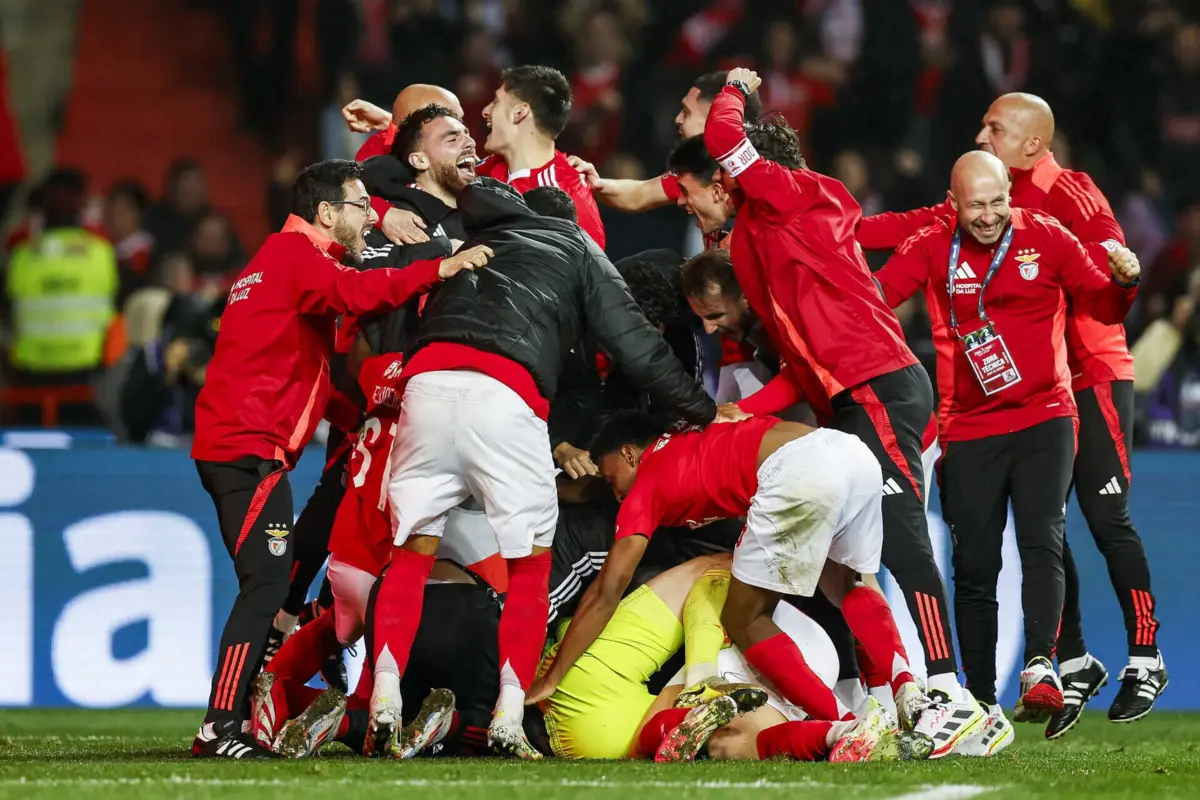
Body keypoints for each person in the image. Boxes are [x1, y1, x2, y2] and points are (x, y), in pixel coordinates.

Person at [367, 177, 716, 759]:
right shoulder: (579, 247)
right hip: (505, 389)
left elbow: (464, 187)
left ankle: (384, 697)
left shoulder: (483, 231)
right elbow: (639, 348)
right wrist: (703, 412)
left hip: (426, 382)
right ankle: (508, 713)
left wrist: (390, 183)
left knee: (411, 555)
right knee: (529, 566)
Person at [858, 92, 1166, 737]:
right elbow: (893, 247)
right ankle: (1057, 662)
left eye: (993, 127)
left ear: (1028, 145)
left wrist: (1127, 277)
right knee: (1004, 550)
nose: (980, 131)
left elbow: (1107, 277)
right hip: (982, 408)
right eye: (978, 204)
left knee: (1090, 522)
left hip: (1081, 379)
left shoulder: (1067, 203)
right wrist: (823, 228)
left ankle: (1131, 655)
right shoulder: (959, 214)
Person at [700, 68, 976, 748]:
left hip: (879, 384)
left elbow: (720, 132)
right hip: (852, 394)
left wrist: (735, 84)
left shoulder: (790, 193)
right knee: (852, 562)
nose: (705, 192)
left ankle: (947, 689)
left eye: (706, 183)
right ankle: (889, 696)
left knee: (904, 535)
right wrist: (745, 414)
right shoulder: (763, 240)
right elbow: (801, 369)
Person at [188, 158, 492, 759]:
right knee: (267, 584)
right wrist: (441, 267)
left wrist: (356, 420)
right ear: (327, 213)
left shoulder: (273, 264)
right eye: (360, 206)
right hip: (248, 449)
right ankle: (219, 727)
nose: (368, 217)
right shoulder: (300, 258)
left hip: (242, 442)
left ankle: (240, 717)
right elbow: (360, 292)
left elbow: (298, 371)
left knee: (269, 583)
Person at [529, 409, 961, 751]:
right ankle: (907, 686)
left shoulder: (647, 483)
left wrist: (551, 678)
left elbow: (607, 593)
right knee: (847, 585)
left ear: (628, 454)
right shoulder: (691, 438)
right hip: (848, 452)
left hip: (795, 470)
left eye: (610, 479)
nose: (615, 493)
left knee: (744, 616)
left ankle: (846, 725)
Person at [344, 70, 606, 248]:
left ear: (520, 112)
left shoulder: (568, 193)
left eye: (495, 101)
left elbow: (587, 276)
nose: (484, 111)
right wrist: (393, 127)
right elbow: (359, 183)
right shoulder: (484, 172)